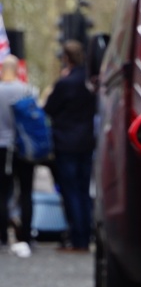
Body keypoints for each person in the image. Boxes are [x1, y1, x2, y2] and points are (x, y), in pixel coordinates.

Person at [43, 41, 96, 252]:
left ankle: (77, 238)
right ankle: (85, 234)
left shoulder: (65, 83)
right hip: (86, 140)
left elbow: (49, 108)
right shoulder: (89, 81)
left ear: (66, 58)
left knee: (71, 190)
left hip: (66, 142)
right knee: (84, 190)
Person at [0, 55, 36, 257]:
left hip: (2, 146)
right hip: (24, 148)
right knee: (26, 192)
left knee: (2, 193)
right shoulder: (26, 89)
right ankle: (27, 236)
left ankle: (3, 235)